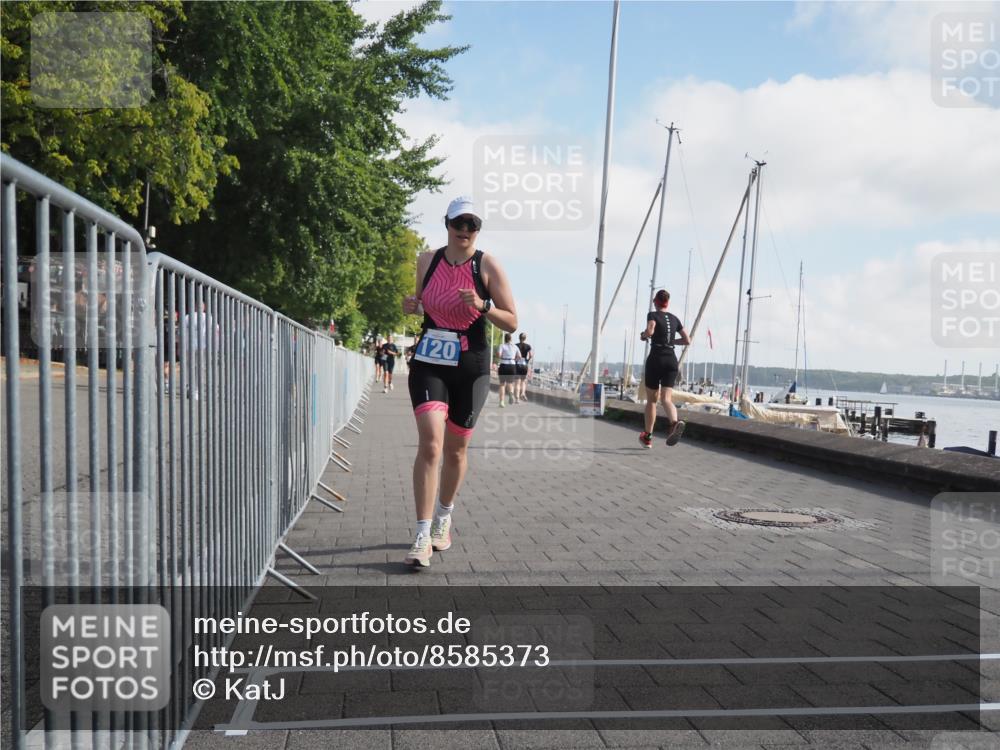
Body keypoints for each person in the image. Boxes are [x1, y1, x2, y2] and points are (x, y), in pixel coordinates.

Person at [401, 196, 517, 567]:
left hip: (471, 363)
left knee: (455, 450)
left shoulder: (487, 265)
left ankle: (444, 517)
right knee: (431, 444)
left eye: (472, 225)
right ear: (447, 224)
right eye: (458, 223)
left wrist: (483, 305)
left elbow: (512, 321)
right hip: (430, 358)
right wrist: (412, 305)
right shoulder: (427, 260)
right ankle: (421, 533)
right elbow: (424, 303)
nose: (465, 230)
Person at [638, 289, 691, 448]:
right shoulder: (675, 318)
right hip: (671, 361)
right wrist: (672, 342)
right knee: (666, 399)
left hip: (656, 359)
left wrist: (643, 335)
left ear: (655, 301)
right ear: (667, 302)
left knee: (652, 401)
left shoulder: (652, 315)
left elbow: (650, 330)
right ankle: (674, 423)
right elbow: (687, 340)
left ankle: (647, 437)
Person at [497, 333, 520, 407]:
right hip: (512, 365)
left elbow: (498, 354)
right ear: (511, 339)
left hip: (503, 364)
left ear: (505, 339)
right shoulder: (515, 347)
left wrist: (502, 356)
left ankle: (501, 402)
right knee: (510, 383)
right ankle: (510, 393)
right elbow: (519, 356)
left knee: (502, 384)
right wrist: (514, 359)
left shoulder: (502, 346)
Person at [514, 332, 533, 402]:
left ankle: (517, 399)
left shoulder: (516, 346)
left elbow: (514, 355)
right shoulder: (528, 346)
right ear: (525, 338)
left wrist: (515, 360)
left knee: (517, 382)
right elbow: (531, 355)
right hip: (524, 364)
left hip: (518, 365)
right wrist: (527, 360)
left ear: (519, 338)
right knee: (524, 381)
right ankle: (522, 393)